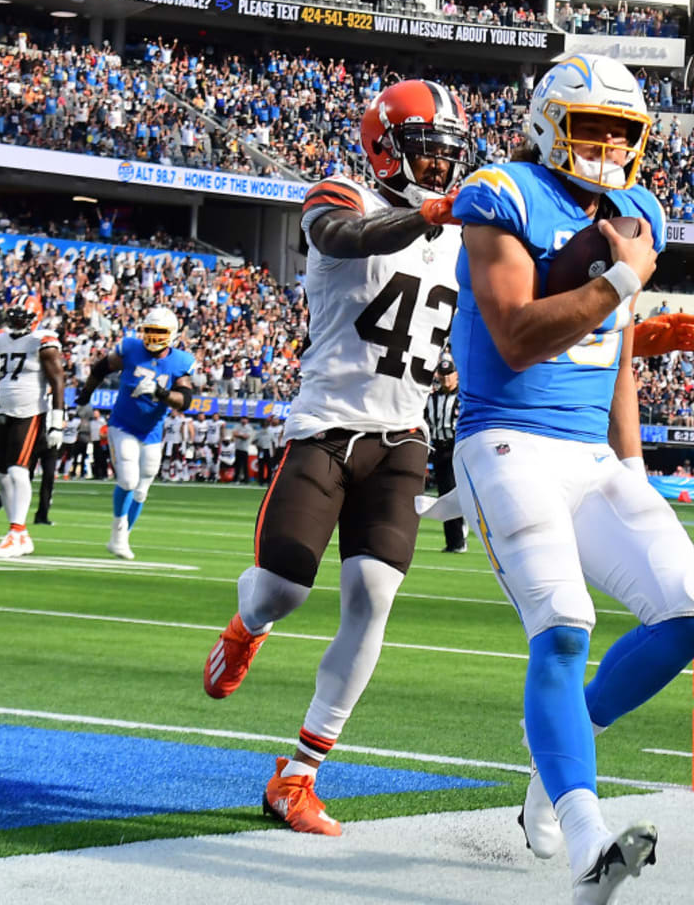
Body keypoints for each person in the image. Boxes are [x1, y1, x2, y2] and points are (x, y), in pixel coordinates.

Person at [449, 54, 694, 904]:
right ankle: (587, 842)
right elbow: (520, 337)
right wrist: (619, 278)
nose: (606, 144)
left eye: (621, 130)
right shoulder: (501, 194)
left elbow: (619, 350)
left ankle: (553, 753)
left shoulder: (641, 212)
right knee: (563, 625)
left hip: (593, 456)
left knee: (691, 612)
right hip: (505, 442)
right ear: (546, 124)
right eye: (590, 125)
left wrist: (633, 467)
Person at [202, 79, 471, 835]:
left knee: (372, 598)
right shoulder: (341, 192)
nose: (443, 168)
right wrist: (423, 217)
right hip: (326, 427)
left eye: (451, 156)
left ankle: (298, 774)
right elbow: (345, 239)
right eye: (429, 151)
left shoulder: (458, 226)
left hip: (402, 438)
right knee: (282, 592)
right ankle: (246, 626)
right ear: (386, 145)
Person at [76, 307, 195, 559]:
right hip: (123, 424)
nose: (152, 336)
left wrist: (161, 393)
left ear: (171, 334)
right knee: (128, 480)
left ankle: (122, 538)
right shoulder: (130, 348)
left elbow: (185, 401)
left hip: (152, 430)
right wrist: (86, 393)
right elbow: (101, 368)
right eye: (149, 330)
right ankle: (118, 534)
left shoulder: (180, 361)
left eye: (158, 332)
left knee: (142, 488)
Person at [0, 294, 65, 557]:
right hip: (4, 412)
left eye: (23, 316)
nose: (17, 320)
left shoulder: (43, 341)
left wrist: (56, 419)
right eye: (15, 315)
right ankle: (17, 533)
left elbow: (57, 381)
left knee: (18, 471)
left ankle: (17, 531)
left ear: (34, 318)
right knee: (1, 475)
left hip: (30, 411)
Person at [425, 355, 466, 553]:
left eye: (449, 374)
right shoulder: (432, 398)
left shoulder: (462, 398)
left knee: (451, 491)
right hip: (438, 449)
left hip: (455, 447)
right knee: (444, 494)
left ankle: (458, 540)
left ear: (456, 375)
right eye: (442, 375)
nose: (446, 379)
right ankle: (453, 540)